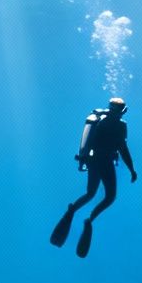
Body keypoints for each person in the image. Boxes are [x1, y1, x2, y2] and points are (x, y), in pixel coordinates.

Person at [50, 96, 135, 258]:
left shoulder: (102, 121)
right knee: (109, 197)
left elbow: (119, 148)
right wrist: (132, 169)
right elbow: (123, 149)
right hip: (103, 162)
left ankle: (73, 211)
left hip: (94, 161)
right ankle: (88, 219)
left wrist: (84, 160)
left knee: (91, 194)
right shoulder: (117, 125)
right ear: (123, 111)